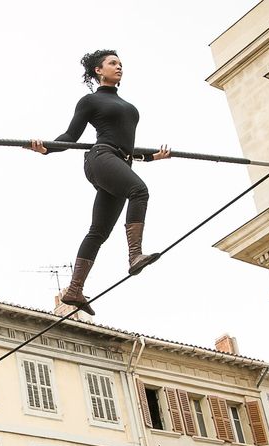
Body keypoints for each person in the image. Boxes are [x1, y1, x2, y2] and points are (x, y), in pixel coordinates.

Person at [30, 49, 171, 315]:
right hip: (101, 157)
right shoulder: (90, 101)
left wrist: (152, 157)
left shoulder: (129, 107)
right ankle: (135, 255)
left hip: (119, 161)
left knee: (99, 232)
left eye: (121, 64)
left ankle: (74, 290)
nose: (119, 67)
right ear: (98, 70)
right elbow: (71, 135)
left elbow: (126, 145)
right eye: (112, 63)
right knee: (139, 191)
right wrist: (47, 148)